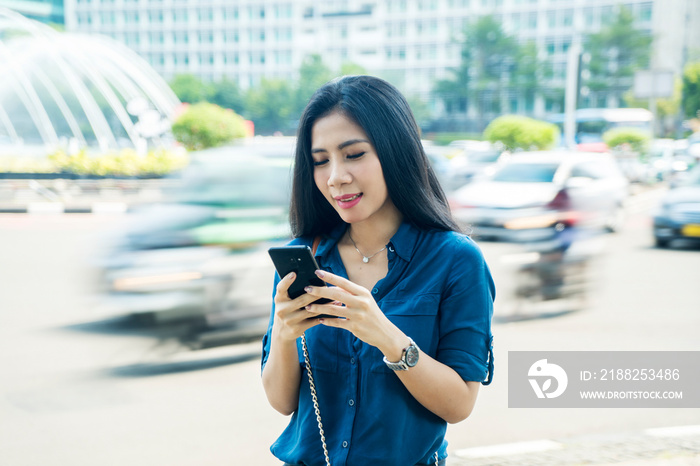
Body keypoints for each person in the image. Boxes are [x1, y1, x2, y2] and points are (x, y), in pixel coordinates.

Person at [261, 75, 494, 466]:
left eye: (353, 154)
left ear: (395, 151)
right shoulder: (304, 258)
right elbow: (281, 401)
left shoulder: (456, 260)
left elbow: (458, 404)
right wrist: (285, 334)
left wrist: (387, 336)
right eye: (321, 161)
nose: (336, 176)